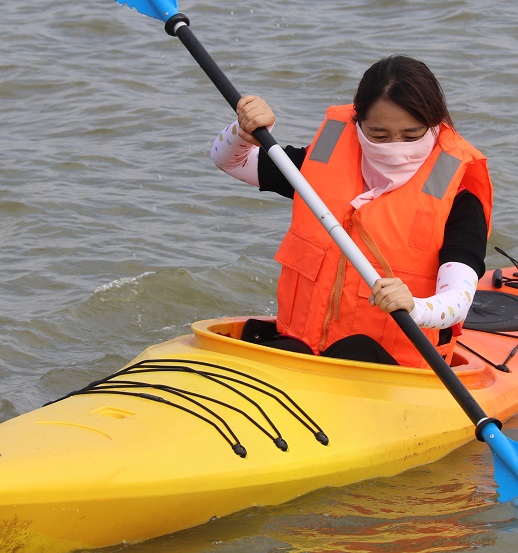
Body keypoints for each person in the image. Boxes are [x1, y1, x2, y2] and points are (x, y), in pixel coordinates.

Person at [210, 55, 493, 368]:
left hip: (394, 366)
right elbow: (232, 161)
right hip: (302, 348)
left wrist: (416, 308)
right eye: (379, 135)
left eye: (412, 135)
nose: (396, 148)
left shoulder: (459, 197)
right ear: (358, 124)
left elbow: (458, 299)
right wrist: (242, 130)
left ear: (435, 125)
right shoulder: (322, 163)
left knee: (356, 349)